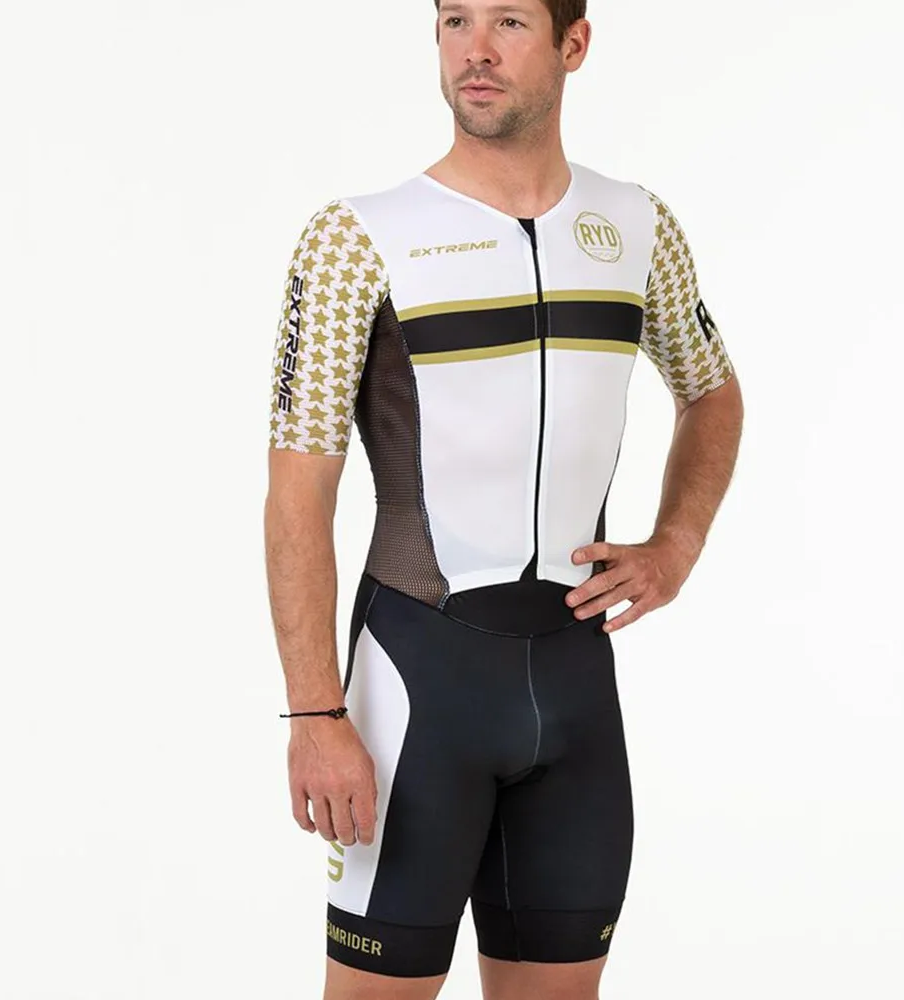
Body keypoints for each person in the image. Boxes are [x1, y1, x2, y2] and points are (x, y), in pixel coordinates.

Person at [264, 1, 744, 997]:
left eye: (510, 22)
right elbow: (297, 491)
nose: (474, 50)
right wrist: (314, 709)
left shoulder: (637, 227)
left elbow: (711, 391)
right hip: (415, 686)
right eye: (455, 21)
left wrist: (676, 543)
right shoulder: (357, 239)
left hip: (575, 693)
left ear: (574, 44)